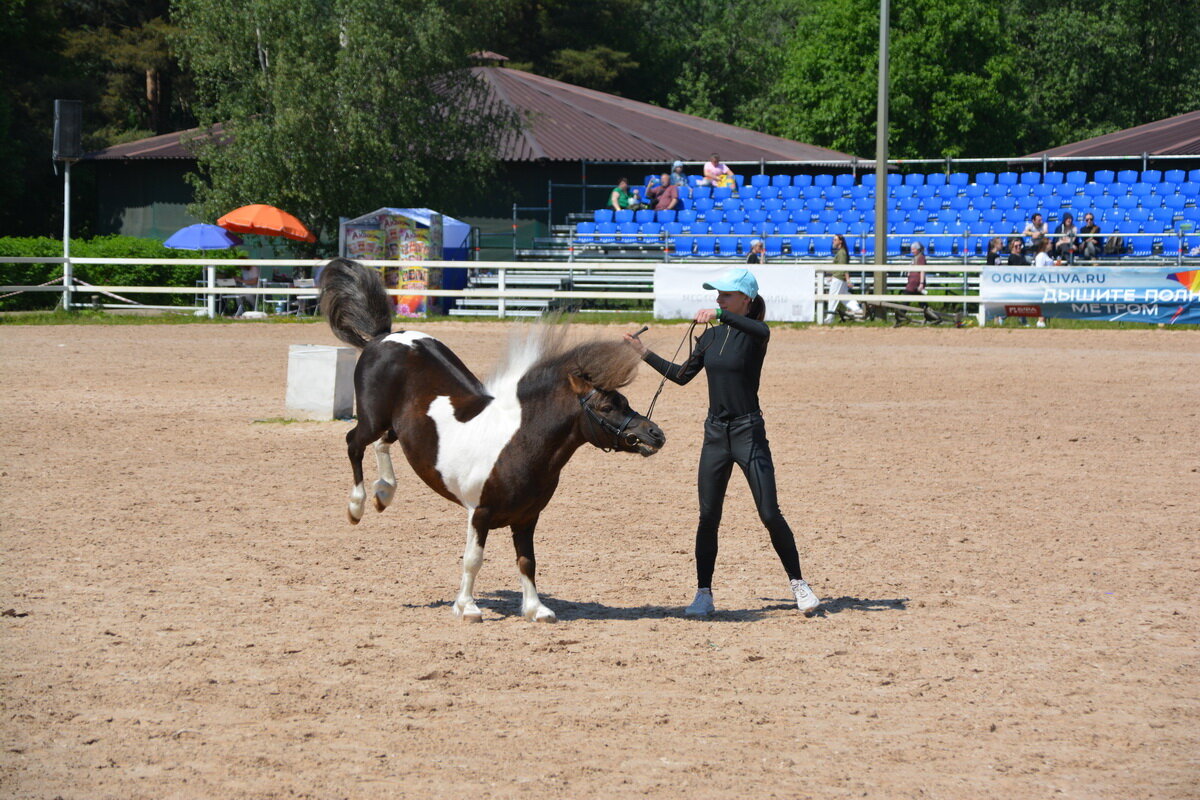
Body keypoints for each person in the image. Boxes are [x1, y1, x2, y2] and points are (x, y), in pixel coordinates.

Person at [622, 268, 820, 617]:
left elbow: (760, 328)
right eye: (717, 296)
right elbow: (682, 376)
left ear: (745, 300)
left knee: (770, 513)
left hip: (748, 432)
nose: (718, 299)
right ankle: (703, 593)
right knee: (708, 516)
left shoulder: (755, 335)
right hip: (715, 434)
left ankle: (799, 584)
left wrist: (720, 314)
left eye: (725, 295)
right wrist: (644, 352)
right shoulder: (710, 339)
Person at [827, 233, 864, 321]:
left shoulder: (842, 253)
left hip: (839, 278)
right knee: (844, 297)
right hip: (839, 277)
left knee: (833, 297)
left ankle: (829, 318)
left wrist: (848, 280)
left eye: (835, 240)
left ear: (840, 241)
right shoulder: (842, 252)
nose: (833, 241)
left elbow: (844, 267)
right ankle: (858, 310)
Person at [1031, 238, 1057, 328]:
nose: (1051, 244)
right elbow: (1040, 270)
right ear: (1045, 245)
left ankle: (1043, 320)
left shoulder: (1046, 255)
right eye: (1050, 243)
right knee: (1043, 301)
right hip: (1043, 282)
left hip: (1048, 281)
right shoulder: (1041, 256)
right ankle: (1040, 320)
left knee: (1047, 301)